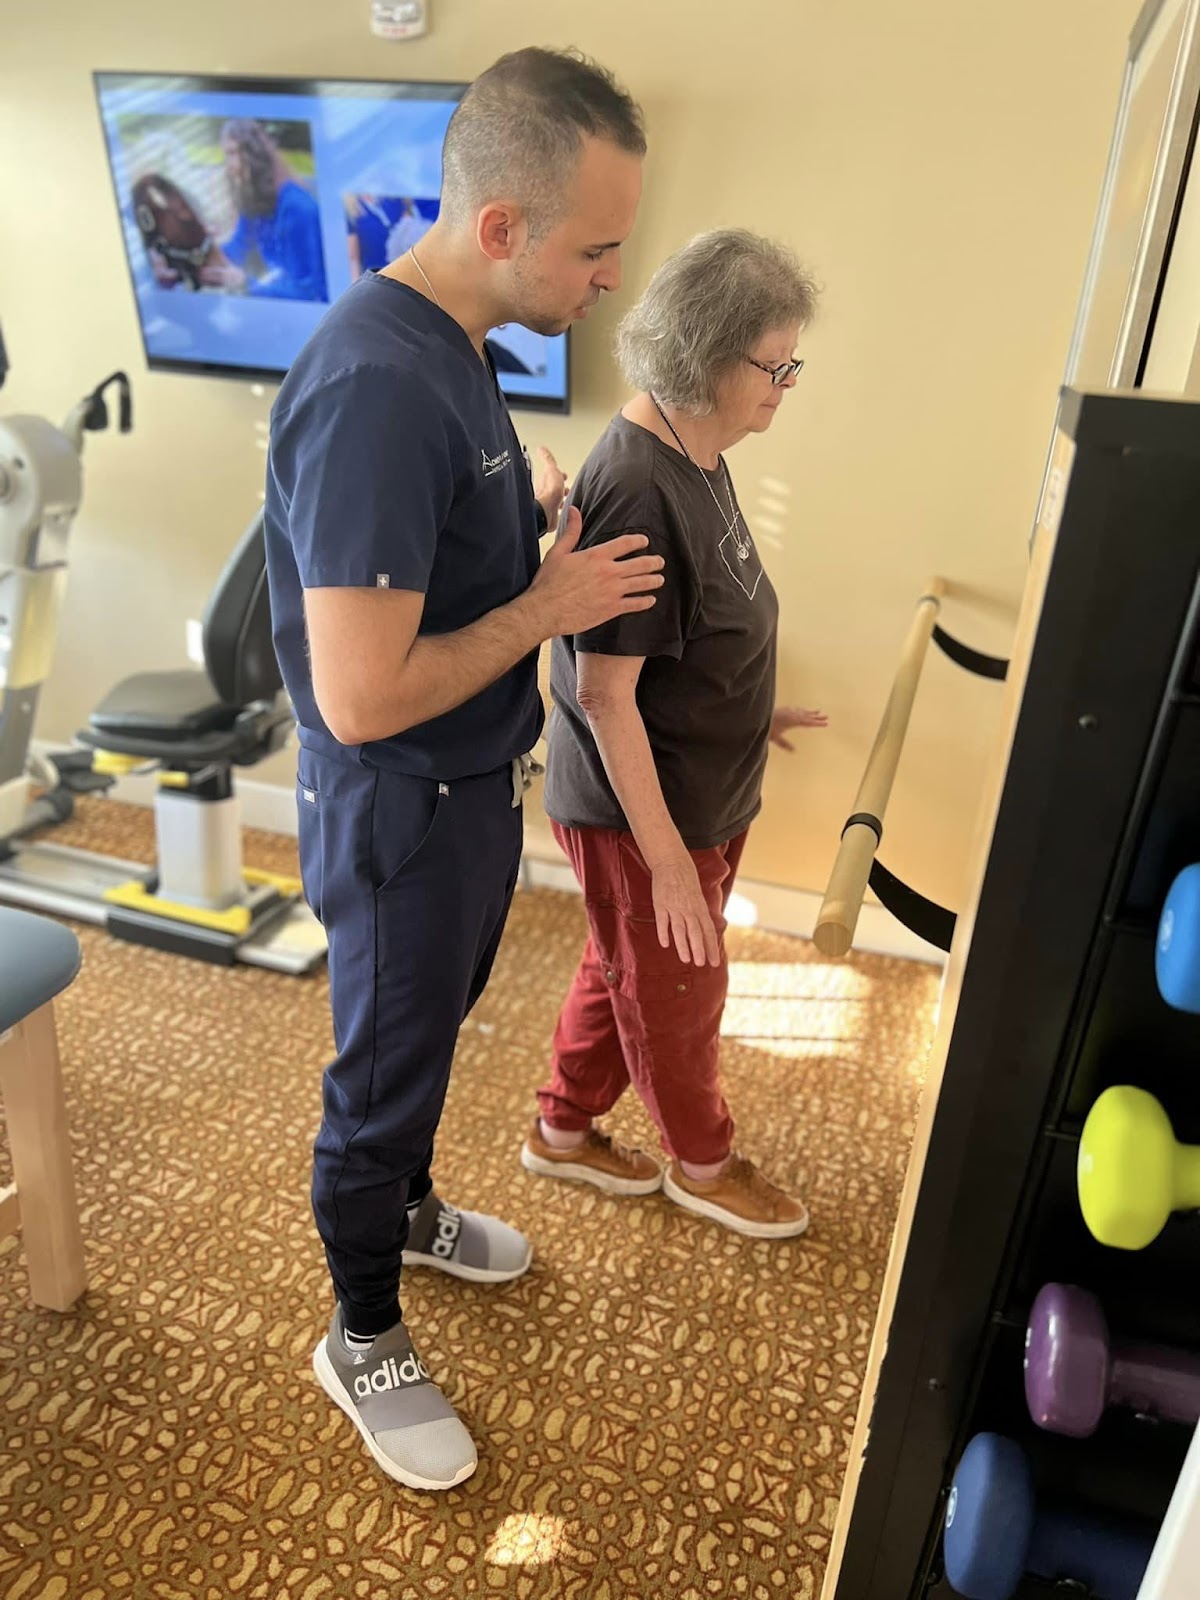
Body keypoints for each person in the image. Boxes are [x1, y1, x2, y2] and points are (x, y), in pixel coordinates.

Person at [264, 48, 654, 1493]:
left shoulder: (454, 345)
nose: (613, 276)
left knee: (428, 1043)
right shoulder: (376, 384)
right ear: (503, 229)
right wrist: (549, 607)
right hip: (401, 805)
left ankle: (410, 1210)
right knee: (380, 1076)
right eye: (597, 247)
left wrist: (521, 509)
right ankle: (361, 1329)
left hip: (469, 791)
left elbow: (425, 563)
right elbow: (362, 698)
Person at [525, 229, 827, 1240]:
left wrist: (750, 708)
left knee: (626, 972)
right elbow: (607, 696)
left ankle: (562, 1129)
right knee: (680, 995)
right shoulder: (638, 489)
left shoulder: (700, 449)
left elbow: (694, 629)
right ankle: (702, 1162)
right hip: (641, 813)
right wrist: (664, 866)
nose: (787, 384)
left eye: (794, 362)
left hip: (701, 781)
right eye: (773, 365)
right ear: (705, 356)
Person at [200, 119, 328, 301]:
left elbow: (309, 292)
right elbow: (237, 249)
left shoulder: (297, 208)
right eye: (226, 155)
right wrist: (203, 244)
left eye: (233, 153)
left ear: (254, 154)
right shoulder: (255, 200)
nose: (229, 165)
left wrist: (247, 284)